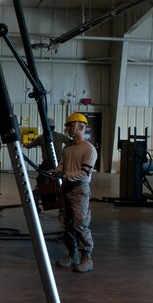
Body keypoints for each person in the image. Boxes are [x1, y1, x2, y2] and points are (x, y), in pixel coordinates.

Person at [55, 112, 98, 273]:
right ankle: (73, 255)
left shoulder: (89, 149)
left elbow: (85, 173)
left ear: (80, 126)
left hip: (80, 189)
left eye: (70, 125)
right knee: (66, 223)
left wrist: (65, 175)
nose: (67, 128)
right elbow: (61, 164)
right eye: (67, 125)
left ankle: (87, 258)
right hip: (66, 187)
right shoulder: (68, 148)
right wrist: (56, 171)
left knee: (81, 223)